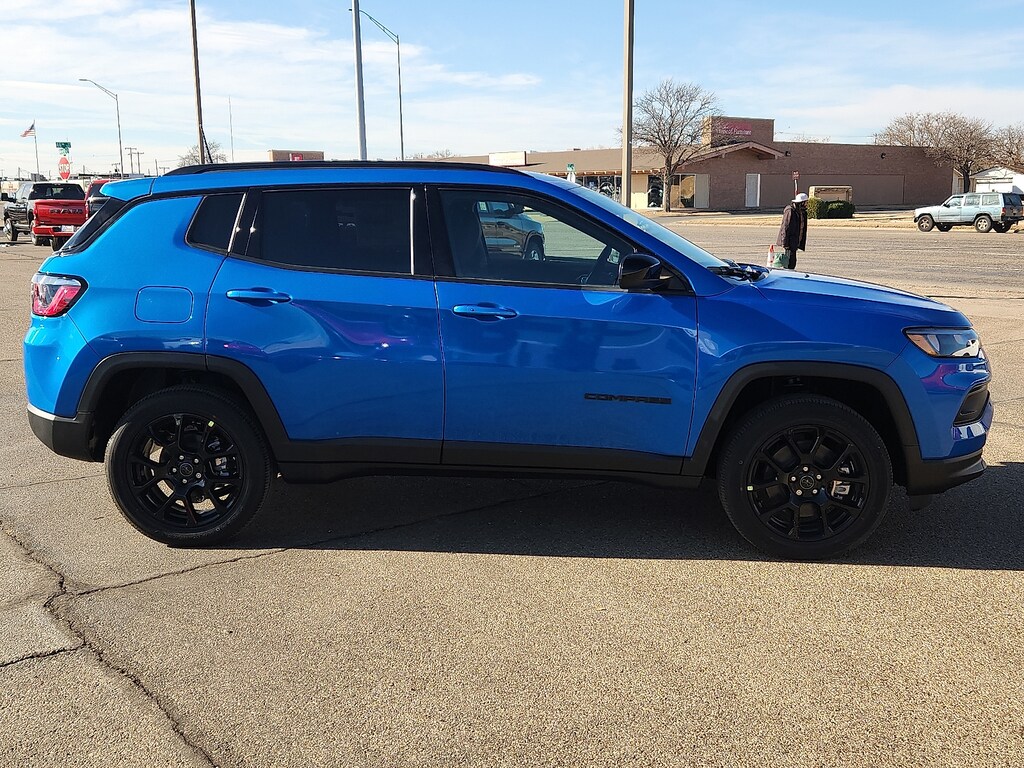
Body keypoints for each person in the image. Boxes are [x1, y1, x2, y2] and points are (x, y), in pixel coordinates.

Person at [776, 192, 808, 270]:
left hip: (795, 241)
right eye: (806, 202)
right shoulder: (790, 211)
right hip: (790, 242)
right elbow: (785, 227)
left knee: (792, 261)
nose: (807, 204)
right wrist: (785, 243)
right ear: (801, 203)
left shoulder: (801, 212)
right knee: (790, 262)